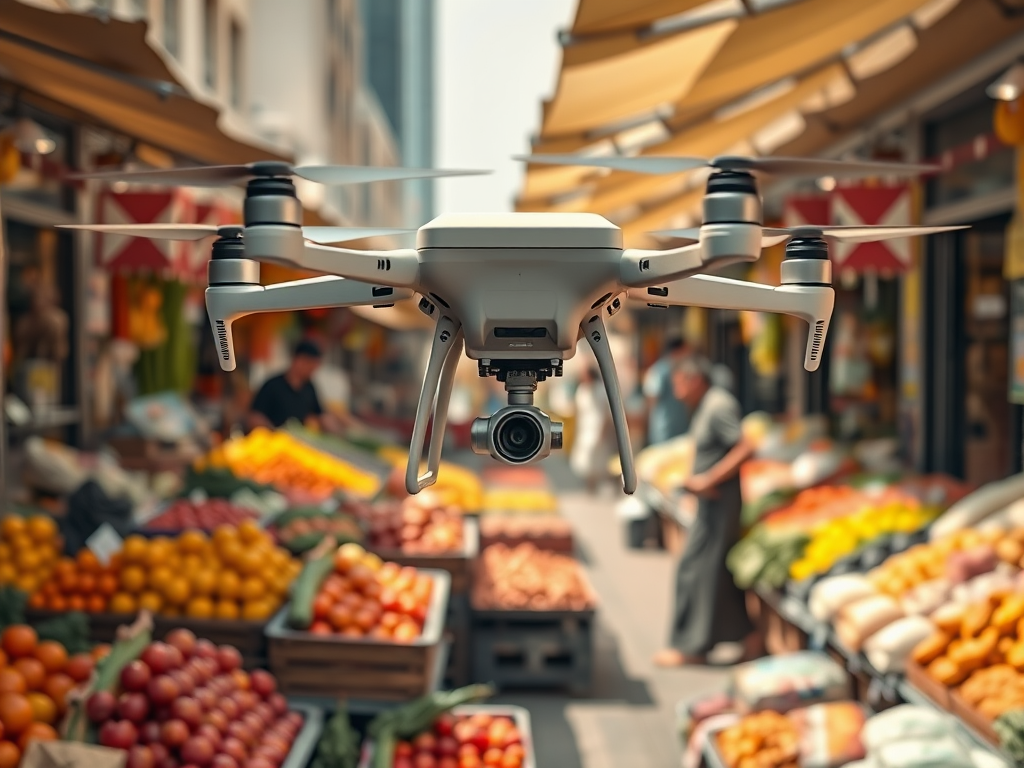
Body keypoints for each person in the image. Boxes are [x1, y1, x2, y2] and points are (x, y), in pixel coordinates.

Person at [655, 356, 759, 667]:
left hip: (720, 502)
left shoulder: (718, 405)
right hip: (709, 501)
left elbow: (746, 446)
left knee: (694, 569)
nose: (676, 390)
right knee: (716, 572)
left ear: (695, 379)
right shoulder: (705, 406)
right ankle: (750, 638)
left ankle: (692, 647)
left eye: (679, 382)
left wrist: (708, 480)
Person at [247, 339, 354, 434]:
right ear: (299, 361)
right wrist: (273, 432)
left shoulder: (309, 388)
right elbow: (255, 417)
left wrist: (342, 433)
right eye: (311, 366)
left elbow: (321, 415)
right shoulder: (272, 385)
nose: (313, 372)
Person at [570, 366, 613, 494]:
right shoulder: (582, 390)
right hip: (584, 428)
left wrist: (603, 431)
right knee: (585, 459)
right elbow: (578, 410)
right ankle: (590, 485)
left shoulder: (600, 390)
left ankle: (607, 482)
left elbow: (605, 412)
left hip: (597, 427)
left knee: (597, 459)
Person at [643, 338, 691, 446]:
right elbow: (651, 400)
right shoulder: (659, 371)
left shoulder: (682, 369)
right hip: (663, 433)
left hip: (680, 432)